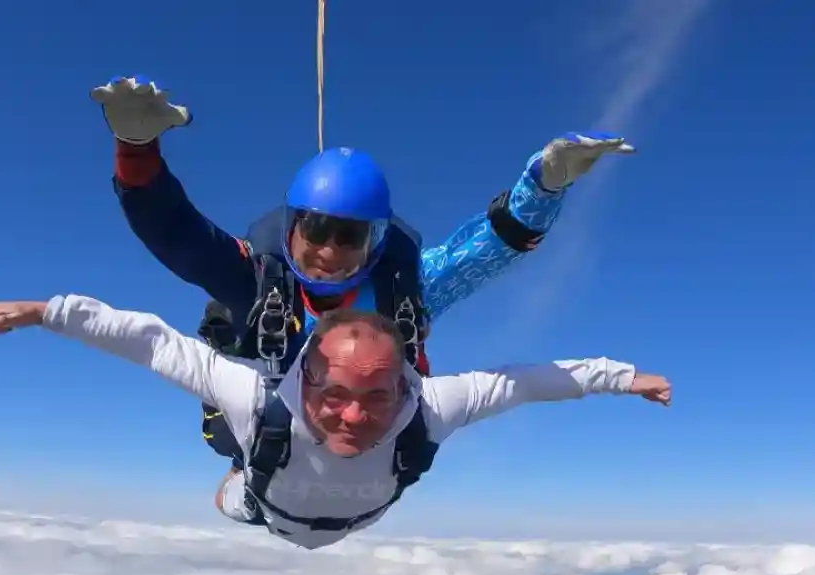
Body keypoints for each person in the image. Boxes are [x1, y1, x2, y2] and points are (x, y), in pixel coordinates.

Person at [91, 75, 636, 503]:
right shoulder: (259, 283)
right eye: (315, 232)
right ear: (290, 230)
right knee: (249, 447)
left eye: (349, 238)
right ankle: (248, 473)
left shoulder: (402, 290)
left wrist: (543, 184)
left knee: (389, 449)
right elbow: (177, 235)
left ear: (377, 243)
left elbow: (487, 250)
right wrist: (135, 149)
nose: (328, 252)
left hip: (370, 445)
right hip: (265, 438)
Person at [0, 296, 672, 550]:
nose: (354, 415)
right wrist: (45, 311)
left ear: (408, 385)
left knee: (247, 476)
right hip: (264, 506)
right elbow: (150, 340)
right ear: (301, 372)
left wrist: (623, 379)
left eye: (378, 397)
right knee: (230, 490)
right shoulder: (253, 394)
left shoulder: (434, 405)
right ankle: (238, 465)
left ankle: (243, 469)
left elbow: (531, 382)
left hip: (347, 518)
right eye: (332, 393)